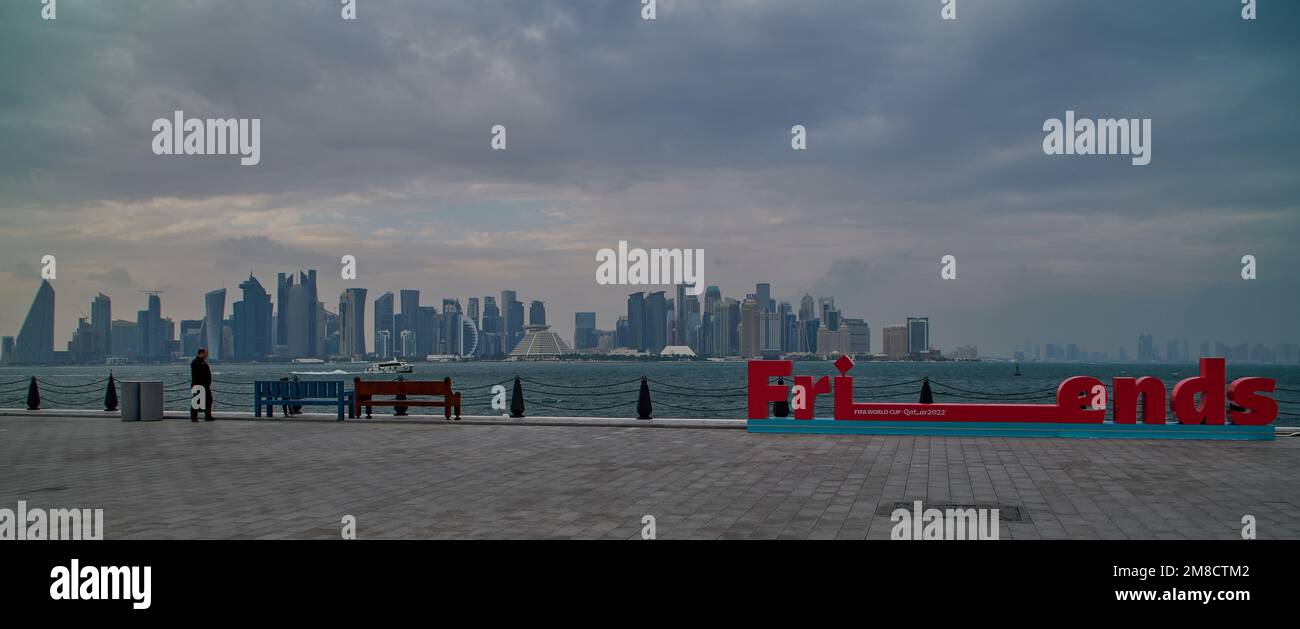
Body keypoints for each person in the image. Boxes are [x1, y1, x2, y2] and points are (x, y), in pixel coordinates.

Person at [190, 348, 215, 422]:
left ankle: (208, 416)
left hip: (205, 385)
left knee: (208, 400)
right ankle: (194, 418)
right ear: (201, 353)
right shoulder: (195, 362)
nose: (207, 355)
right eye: (206, 353)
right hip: (198, 385)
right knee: (196, 402)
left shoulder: (203, 362)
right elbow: (196, 374)